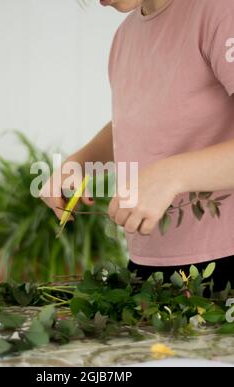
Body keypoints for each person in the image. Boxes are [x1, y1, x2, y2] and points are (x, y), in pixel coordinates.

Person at [41, 0, 234, 290]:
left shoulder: (220, 11)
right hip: (148, 267)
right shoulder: (125, 37)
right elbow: (143, 119)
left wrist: (169, 175)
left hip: (224, 264)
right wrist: (82, 161)